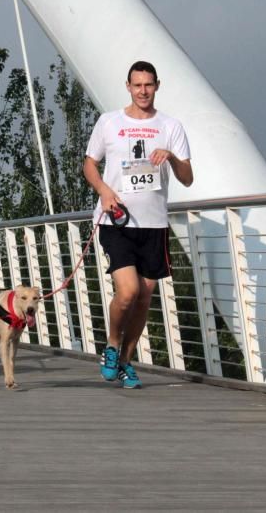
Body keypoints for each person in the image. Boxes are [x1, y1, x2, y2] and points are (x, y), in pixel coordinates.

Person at [83, 60, 192, 389]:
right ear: (128, 86)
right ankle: (113, 347)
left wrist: (171, 157)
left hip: (154, 224)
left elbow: (187, 178)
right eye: (137, 85)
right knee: (128, 291)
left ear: (157, 85)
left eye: (148, 85)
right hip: (117, 220)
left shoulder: (170, 127)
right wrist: (103, 191)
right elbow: (90, 164)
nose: (143, 91)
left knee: (145, 297)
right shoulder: (109, 122)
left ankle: (128, 362)